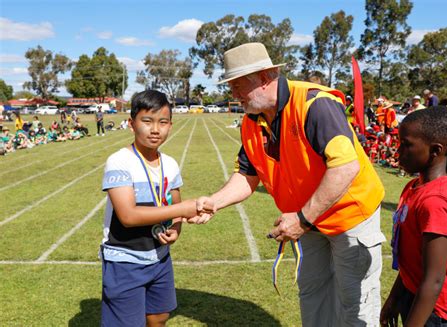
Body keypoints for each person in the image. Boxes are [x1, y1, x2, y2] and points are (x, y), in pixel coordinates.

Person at [187, 42, 386, 326]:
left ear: (265, 78)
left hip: (350, 217)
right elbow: (247, 174)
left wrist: (303, 219)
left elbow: (346, 166)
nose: (233, 94)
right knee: (313, 296)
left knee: (356, 305)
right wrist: (214, 203)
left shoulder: (315, 104)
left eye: (238, 86)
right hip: (308, 219)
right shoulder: (251, 121)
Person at [100, 90, 212, 327]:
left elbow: (175, 207)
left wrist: (176, 229)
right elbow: (128, 216)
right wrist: (185, 208)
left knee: (158, 317)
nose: (155, 129)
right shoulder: (119, 161)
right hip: (125, 260)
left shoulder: (170, 164)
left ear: (170, 125)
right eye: (147, 121)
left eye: (162, 122)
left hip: (160, 258)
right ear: (131, 124)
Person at [380, 107, 447, 326]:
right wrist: (394, 298)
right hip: (417, 296)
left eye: (406, 144)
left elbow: (434, 280)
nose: (398, 151)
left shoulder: (435, 202)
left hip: (444, 312)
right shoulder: (414, 187)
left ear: (435, 150)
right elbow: (411, 259)